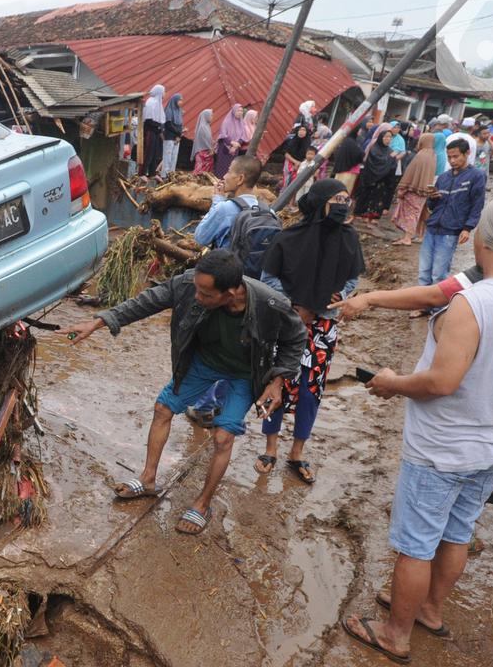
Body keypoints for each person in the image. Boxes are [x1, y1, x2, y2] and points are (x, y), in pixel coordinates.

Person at [341, 191, 493, 665]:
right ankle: (429, 610)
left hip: (442, 446)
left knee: (415, 545)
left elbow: (441, 382)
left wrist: (391, 383)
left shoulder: (473, 303)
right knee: (457, 532)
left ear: (489, 238)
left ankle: (394, 633)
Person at [335, 181, 493, 526]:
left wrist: (371, 298)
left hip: (464, 400)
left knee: (420, 532)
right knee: (482, 486)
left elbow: (433, 300)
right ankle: (467, 528)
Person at [57, 249, 306, 536]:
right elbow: (146, 302)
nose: (197, 297)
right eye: (196, 289)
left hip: (245, 373)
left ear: (232, 292)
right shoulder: (189, 284)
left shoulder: (269, 303)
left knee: (223, 436)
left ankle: (202, 504)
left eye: (206, 295)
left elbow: (296, 338)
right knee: (163, 408)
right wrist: (99, 322)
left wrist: (277, 381)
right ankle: (148, 479)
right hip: (203, 362)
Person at [255, 180, 364, 484]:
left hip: (323, 326)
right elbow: (268, 278)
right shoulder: (288, 238)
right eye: (337, 198)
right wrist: (296, 307)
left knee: (310, 389)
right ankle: (270, 448)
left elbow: (353, 279)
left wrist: (337, 296)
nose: (344, 204)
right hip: (287, 323)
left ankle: (297, 452)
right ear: (319, 202)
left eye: (346, 198)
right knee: (278, 380)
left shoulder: (349, 238)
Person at [187, 156, 265, 426]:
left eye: (230, 171)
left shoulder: (226, 209)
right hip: (251, 292)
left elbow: (200, 237)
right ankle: (223, 406)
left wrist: (217, 200)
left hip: (221, 289)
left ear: (241, 178)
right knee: (237, 348)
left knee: (210, 346)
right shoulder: (266, 211)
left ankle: (203, 406)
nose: (226, 175)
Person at [418, 141, 485, 287]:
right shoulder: (443, 177)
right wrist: (433, 198)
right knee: (424, 272)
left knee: (438, 274)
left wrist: (467, 228)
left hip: (450, 231)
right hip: (432, 228)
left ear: (467, 153)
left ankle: (437, 308)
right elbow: (432, 206)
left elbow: (477, 205)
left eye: (456, 156)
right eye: (449, 157)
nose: (452, 161)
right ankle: (422, 306)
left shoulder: (476, 176)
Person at [390, 133, 440, 245]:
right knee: (419, 213)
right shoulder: (433, 155)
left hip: (414, 189)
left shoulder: (421, 155)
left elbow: (411, 172)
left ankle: (407, 238)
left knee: (411, 214)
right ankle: (420, 235)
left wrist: (403, 188)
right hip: (424, 189)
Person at [354, 125, 397, 220]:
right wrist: (390, 158)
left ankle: (373, 217)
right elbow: (376, 162)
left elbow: (392, 166)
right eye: (386, 137)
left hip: (383, 181)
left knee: (378, 199)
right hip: (371, 179)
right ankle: (362, 214)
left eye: (390, 137)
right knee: (367, 197)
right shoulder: (374, 148)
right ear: (381, 137)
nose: (388, 139)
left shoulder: (390, 151)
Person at [214, 104, 249, 178]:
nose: (240, 112)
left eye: (241, 111)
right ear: (233, 111)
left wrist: (237, 144)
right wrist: (231, 143)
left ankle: (228, 182)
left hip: (235, 149)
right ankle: (219, 181)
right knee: (222, 165)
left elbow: (243, 136)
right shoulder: (226, 122)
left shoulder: (242, 123)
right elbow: (223, 134)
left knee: (231, 166)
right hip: (225, 148)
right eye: (238, 111)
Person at [141, 84, 166, 179]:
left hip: (156, 131)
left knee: (155, 153)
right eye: (164, 91)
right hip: (150, 131)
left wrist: (160, 129)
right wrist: (158, 127)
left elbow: (160, 120)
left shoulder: (158, 104)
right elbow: (148, 120)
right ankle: (142, 173)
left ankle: (152, 173)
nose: (164, 94)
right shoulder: (151, 102)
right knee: (148, 152)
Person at [282, 124, 313, 191]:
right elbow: (286, 153)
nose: (301, 132)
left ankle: (291, 199)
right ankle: (282, 196)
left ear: (306, 132)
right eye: (300, 130)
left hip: (302, 163)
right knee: (287, 180)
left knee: (296, 182)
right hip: (290, 161)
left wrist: (300, 164)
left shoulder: (308, 142)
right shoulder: (291, 140)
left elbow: (308, 155)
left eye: (304, 130)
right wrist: (295, 162)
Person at [161, 93, 185, 179]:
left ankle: (171, 174)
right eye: (179, 100)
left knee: (174, 156)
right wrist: (178, 133)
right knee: (168, 156)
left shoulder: (178, 111)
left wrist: (179, 136)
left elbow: (180, 125)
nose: (181, 102)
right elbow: (168, 125)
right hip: (169, 136)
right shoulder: (169, 110)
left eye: (182, 100)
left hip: (177, 137)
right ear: (175, 100)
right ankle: (165, 175)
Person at [192, 109, 216, 175]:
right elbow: (204, 140)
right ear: (206, 116)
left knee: (205, 170)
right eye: (211, 116)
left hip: (207, 151)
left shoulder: (207, 126)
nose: (212, 117)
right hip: (202, 152)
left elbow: (208, 138)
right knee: (200, 169)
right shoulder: (202, 127)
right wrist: (210, 148)